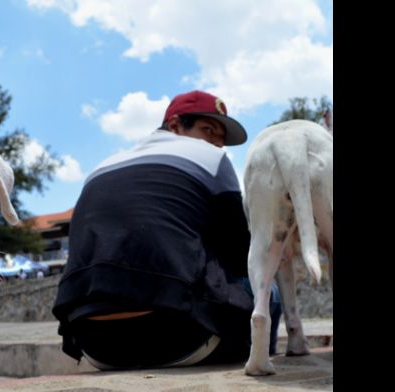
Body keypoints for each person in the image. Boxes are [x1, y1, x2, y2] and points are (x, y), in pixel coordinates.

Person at [53, 90, 281, 370]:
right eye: (208, 131)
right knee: (268, 284)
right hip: (180, 339)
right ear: (175, 125)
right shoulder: (211, 158)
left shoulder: (103, 165)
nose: (216, 144)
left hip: (94, 344)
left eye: (221, 139)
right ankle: (261, 359)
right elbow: (239, 252)